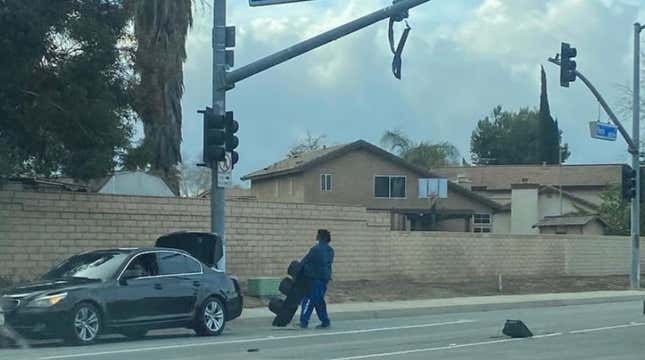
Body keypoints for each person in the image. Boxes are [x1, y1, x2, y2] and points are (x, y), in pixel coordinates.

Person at [299, 229, 334, 329]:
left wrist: (300, 271)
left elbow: (305, 261)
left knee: (309, 299)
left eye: (317, 236)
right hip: (324, 279)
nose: (316, 237)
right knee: (318, 300)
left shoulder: (316, 249)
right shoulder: (330, 250)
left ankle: (303, 321)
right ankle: (325, 320)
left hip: (314, 279)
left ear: (320, 237)